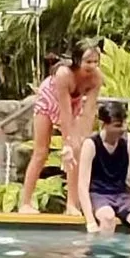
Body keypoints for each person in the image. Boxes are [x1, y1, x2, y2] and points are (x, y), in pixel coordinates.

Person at [20, 37, 103, 211]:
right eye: (88, 61)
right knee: (41, 152)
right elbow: (64, 114)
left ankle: (72, 204)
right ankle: (25, 203)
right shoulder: (64, 74)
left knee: (77, 150)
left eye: (96, 61)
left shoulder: (96, 78)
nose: (92, 66)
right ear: (78, 60)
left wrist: (83, 140)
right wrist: (67, 143)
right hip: (50, 98)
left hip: (74, 102)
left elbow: (88, 113)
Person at [75, 98, 130, 237]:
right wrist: (90, 221)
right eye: (117, 125)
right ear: (103, 124)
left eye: (123, 124)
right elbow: (82, 185)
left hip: (121, 194)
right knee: (107, 218)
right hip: (98, 194)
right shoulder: (91, 144)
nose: (122, 129)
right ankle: (104, 256)